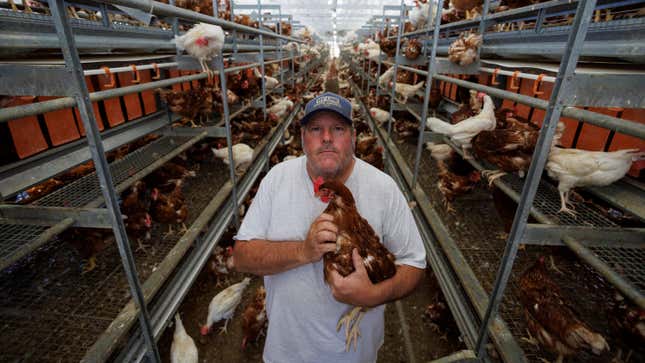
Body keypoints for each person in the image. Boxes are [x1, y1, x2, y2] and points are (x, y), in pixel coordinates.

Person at [233, 92, 426, 362]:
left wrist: (373, 295)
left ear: (353, 137)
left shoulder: (384, 188)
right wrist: (302, 250)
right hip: (287, 353)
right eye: (316, 129)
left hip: (354, 354)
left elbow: (415, 264)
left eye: (337, 128)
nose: (326, 137)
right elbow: (241, 257)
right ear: (302, 138)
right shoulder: (277, 180)